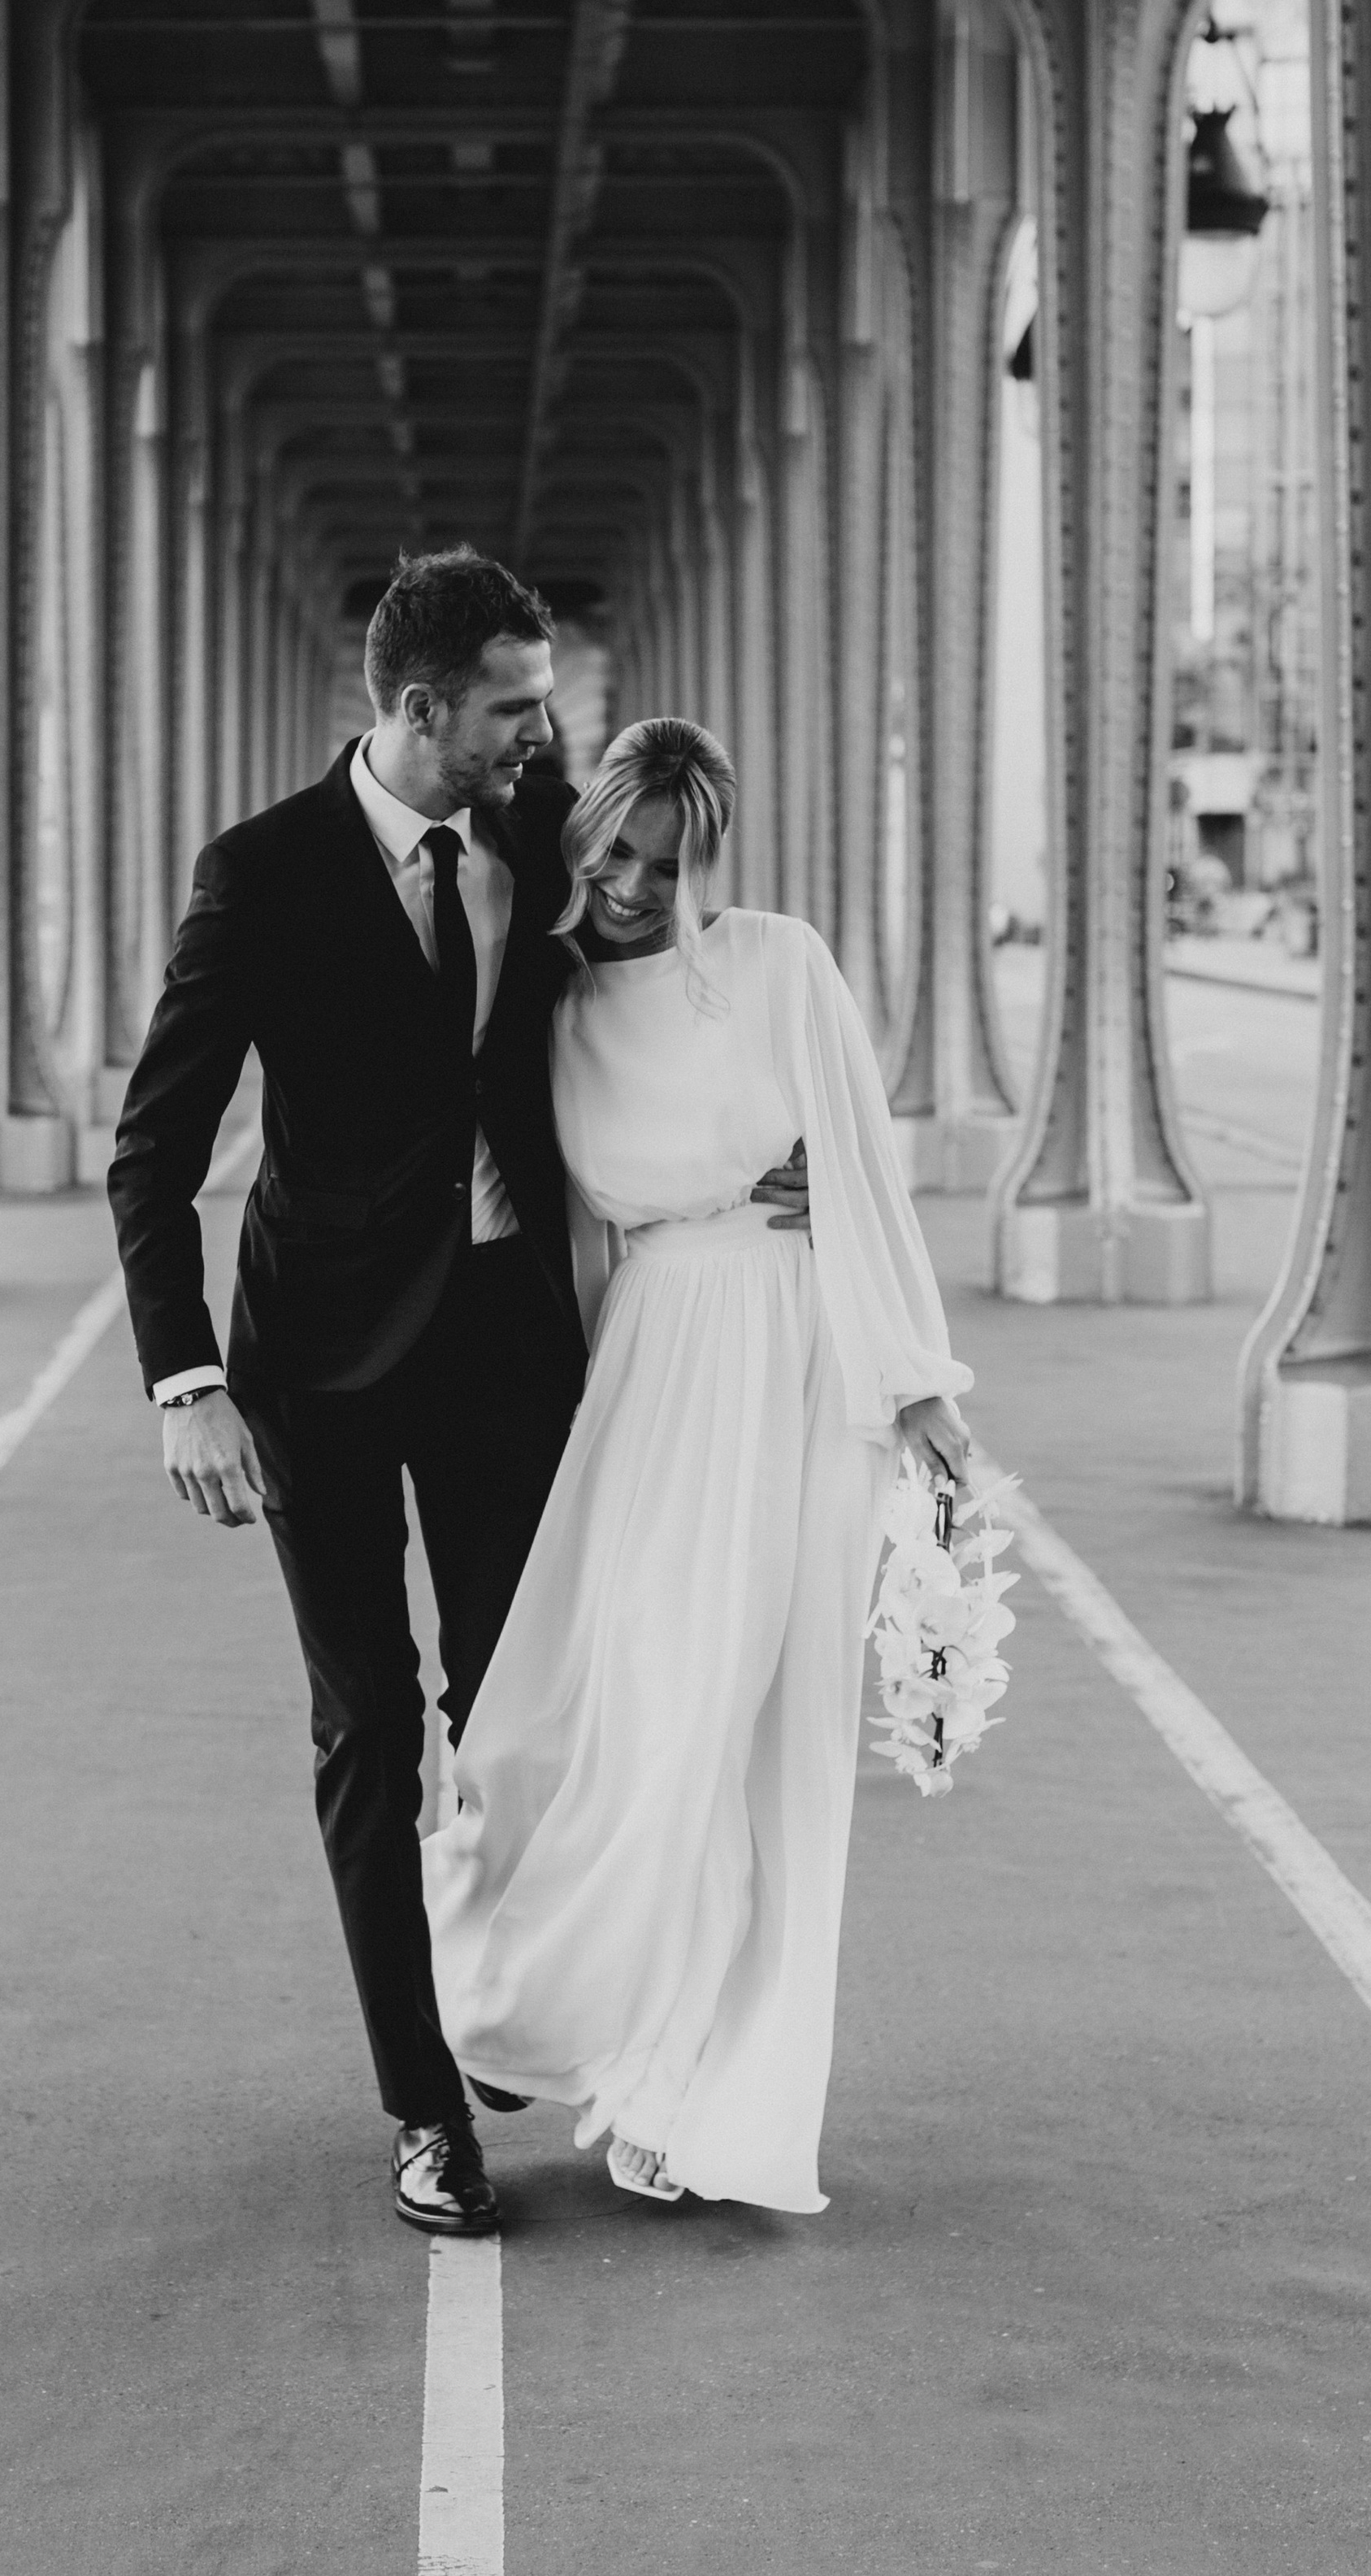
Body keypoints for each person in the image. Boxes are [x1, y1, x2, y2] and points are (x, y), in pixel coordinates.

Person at [107, 555, 812, 2238]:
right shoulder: (261, 875)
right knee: (370, 1730)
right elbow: (155, 1145)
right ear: (420, 709)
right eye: (512, 703)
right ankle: (425, 2105)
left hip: (502, 1348)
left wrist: (767, 1158)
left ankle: (499, 1989)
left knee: (532, 1706)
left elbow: (668, 955)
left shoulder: (541, 824)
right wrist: (184, 1378)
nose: (539, 727)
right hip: (316, 1371)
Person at [423, 718, 972, 2213]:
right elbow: (576, 1239)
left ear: (707, 859)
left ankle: (695, 2093)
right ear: (582, 832)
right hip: (651, 1377)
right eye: (615, 852)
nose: (634, 886)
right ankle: (552, 2001)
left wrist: (917, 1390)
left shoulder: (783, 965)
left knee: (755, 1738)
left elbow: (859, 1171)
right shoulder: (552, 1010)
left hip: (792, 1366)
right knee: (632, 1718)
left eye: (667, 864)